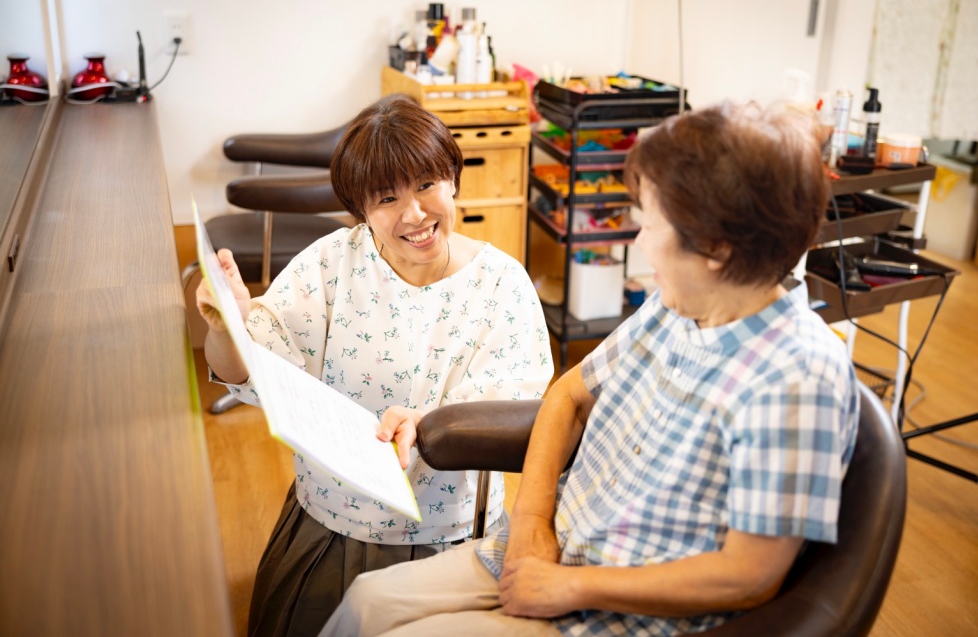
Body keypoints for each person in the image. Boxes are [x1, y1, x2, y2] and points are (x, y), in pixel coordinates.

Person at [322, 101, 860, 636]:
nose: (638, 240)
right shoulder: (679, 304)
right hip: (558, 545)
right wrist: (532, 526)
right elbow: (567, 396)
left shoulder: (797, 377)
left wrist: (571, 588)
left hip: (616, 609)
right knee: (367, 602)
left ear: (716, 248)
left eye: (651, 223)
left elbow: (749, 577)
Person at [196, 94, 553, 636]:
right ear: (362, 209)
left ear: (453, 180)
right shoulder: (330, 264)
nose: (414, 214)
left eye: (427, 185)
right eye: (387, 198)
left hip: (450, 534)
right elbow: (249, 374)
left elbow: (512, 413)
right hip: (332, 523)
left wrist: (427, 424)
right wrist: (226, 327)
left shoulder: (501, 284)